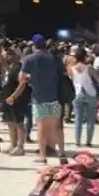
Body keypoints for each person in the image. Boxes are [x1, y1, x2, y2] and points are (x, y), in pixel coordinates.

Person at [8, 35, 62, 164]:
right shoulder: (53, 58)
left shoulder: (29, 59)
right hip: (54, 96)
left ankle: (42, 156)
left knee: (41, 127)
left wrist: (30, 78)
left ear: (34, 45)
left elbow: (21, 78)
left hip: (39, 97)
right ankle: (58, 151)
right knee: (54, 127)